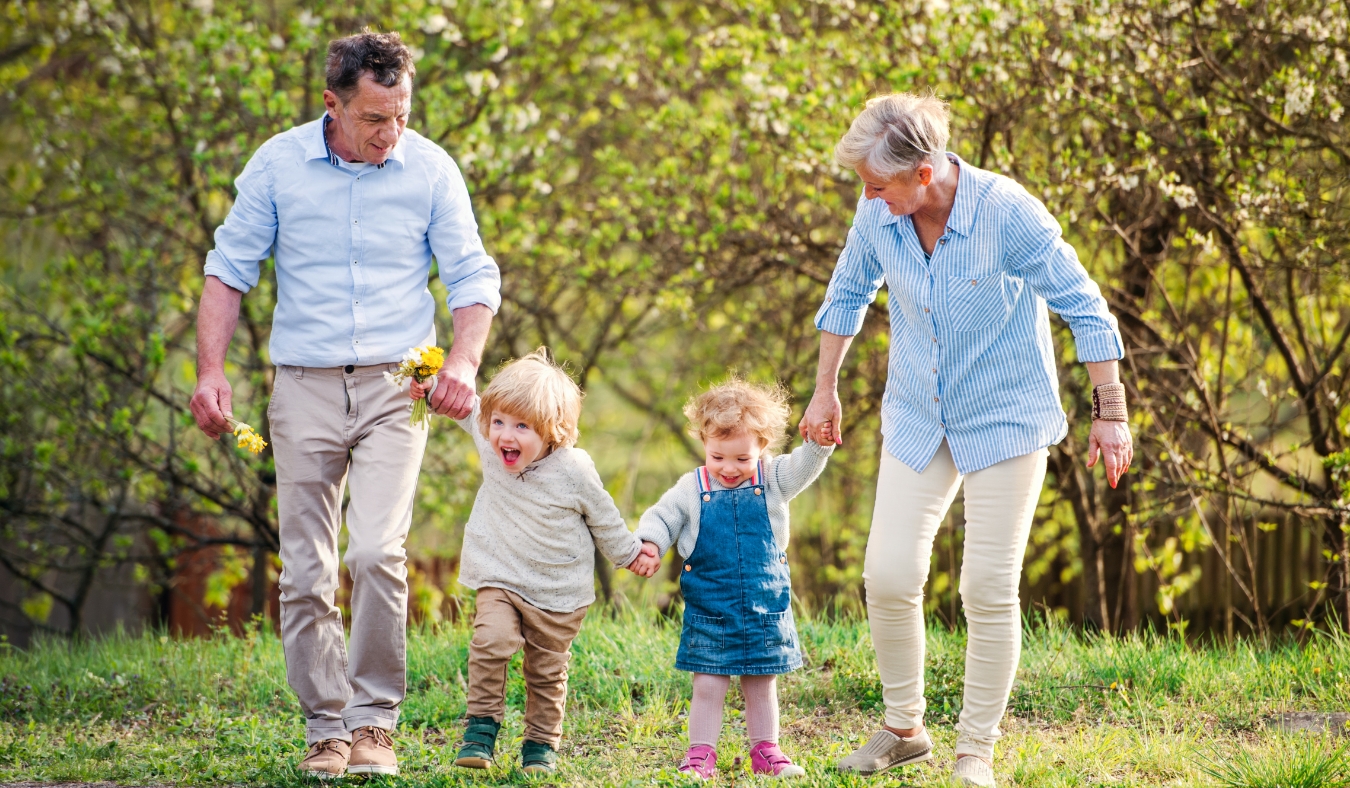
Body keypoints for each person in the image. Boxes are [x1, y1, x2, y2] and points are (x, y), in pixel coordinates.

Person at [188, 31, 501, 778]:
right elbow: (228, 272)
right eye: (373, 119)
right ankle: (326, 729)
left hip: (399, 388)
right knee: (305, 570)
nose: (391, 135)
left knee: (377, 552)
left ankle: (375, 725)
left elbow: (473, 277)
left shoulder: (430, 169)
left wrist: (462, 361)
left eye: (400, 115)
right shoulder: (278, 165)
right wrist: (210, 371)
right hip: (303, 385)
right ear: (331, 104)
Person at [803, 93, 1132, 787]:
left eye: (877, 184)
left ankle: (974, 751)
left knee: (986, 586)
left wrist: (1111, 410)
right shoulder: (878, 215)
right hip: (921, 412)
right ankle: (903, 729)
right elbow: (846, 295)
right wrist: (824, 388)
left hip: (1006, 415)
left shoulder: (1006, 211)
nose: (867, 197)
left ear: (923, 173)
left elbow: (1084, 304)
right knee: (887, 574)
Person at [408, 350, 650, 774]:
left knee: (546, 671)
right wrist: (429, 389)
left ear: (554, 430)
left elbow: (604, 517)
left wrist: (630, 554)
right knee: (491, 641)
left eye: (522, 426)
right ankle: (481, 729)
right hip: (499, 574)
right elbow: (463, 405)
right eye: (499, 421)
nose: (505, 435)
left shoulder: (573, 469)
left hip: (558, 593)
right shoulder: (490, 437)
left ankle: (540, 745)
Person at [631, 378, 835, 780]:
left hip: (764, 608)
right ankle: (700, 755)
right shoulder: (693, 487)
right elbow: (662, 516)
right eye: (717, 456)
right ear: (704, 443)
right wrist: (651, 544)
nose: (728, 468)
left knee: (761, 683)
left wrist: (820, 441)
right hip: (711, 610)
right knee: (708, 684)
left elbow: (806, 465)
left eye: (742, 458)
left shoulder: (774, 479)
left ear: (763, 447)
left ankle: (766, 751)